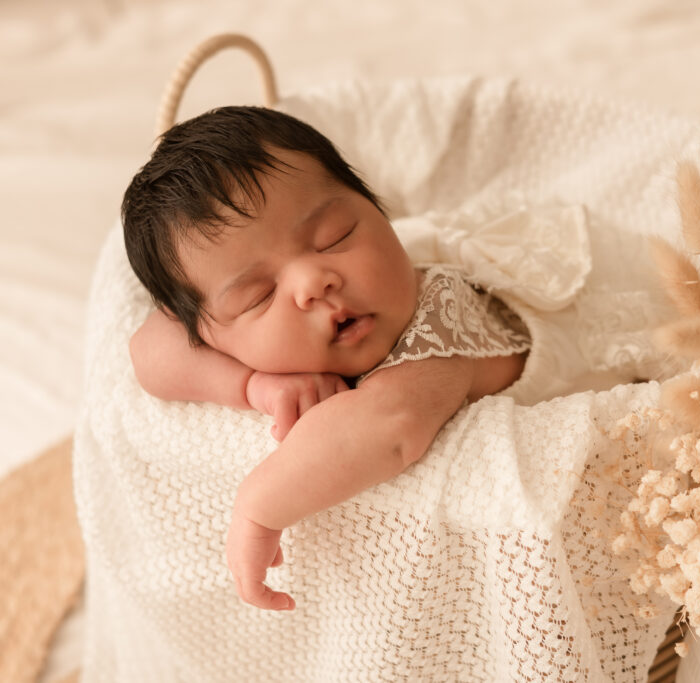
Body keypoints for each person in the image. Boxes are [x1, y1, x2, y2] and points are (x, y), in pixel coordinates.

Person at [122, 106, 531, 612]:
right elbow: (147, 352)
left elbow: (391, 427)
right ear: (212, 336)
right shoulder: (231, 336)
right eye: (256, 296)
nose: (313, 282)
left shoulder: (438, 321)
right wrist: (253, 385)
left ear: (378, 208)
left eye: (334, 236)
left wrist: (258, 507)